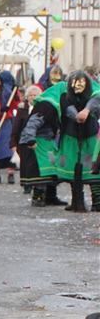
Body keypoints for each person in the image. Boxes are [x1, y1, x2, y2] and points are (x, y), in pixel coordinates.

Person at [55, 70, 100, 212]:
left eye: (81, 82)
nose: (78, 85)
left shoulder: (94, 94)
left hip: (90, 136)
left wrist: (86, 110)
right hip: (71, 137)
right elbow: (67, 108)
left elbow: (95, 100)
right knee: (73, 170)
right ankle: (76, 201)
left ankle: (98, 201)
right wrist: (77, 115)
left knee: (93, 169)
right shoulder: (65, 96)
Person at [18, 83, 66, 208]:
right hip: (36, 142)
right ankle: (38, 197)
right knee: (41, 171)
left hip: (46, 141)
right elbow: (33, 123)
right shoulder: (46, 106)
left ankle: (51, 197)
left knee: (52, 168)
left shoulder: (53, 105)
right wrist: (31, 140)